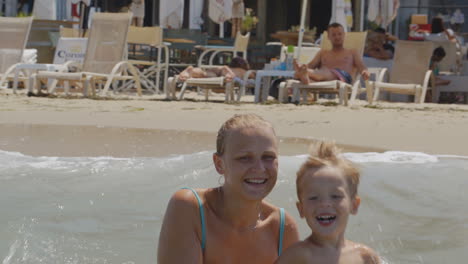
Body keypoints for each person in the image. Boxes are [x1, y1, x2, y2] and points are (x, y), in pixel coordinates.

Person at [157, 114, 299, 263]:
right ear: (219, 164)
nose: (259, 168)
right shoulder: (190, 209)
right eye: (244, 158)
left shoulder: (282, 229)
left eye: (268, 157)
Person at [275, 141, 381, 264]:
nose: (324, 203)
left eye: (335, 196)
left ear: (354, 205)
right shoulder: (295, 257)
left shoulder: (365, 257)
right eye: (313, 197)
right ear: (301, 209)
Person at [294, 23, 370, 85]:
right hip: (323, 80)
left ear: (344, 35)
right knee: (306, 76)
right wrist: (302, 66)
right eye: (333, 35)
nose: (337, 37)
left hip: (343, 79)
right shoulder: (322, 53)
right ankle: (306, 79)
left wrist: (364, 72)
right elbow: (310, 66)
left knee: (323, 71)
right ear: (328, 37)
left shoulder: (352, 52)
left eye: (339, 34)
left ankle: (303, 73)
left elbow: (362, 67)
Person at [178, 57, 255, 83]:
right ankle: (190, 71)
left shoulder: (235, 69)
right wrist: (231, 74)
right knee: (206, 75)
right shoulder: (244, 71)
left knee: (204, 74)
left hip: (219, 71)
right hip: (225, 72)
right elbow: (253, 76)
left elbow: (225, 67)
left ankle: (191, 71)